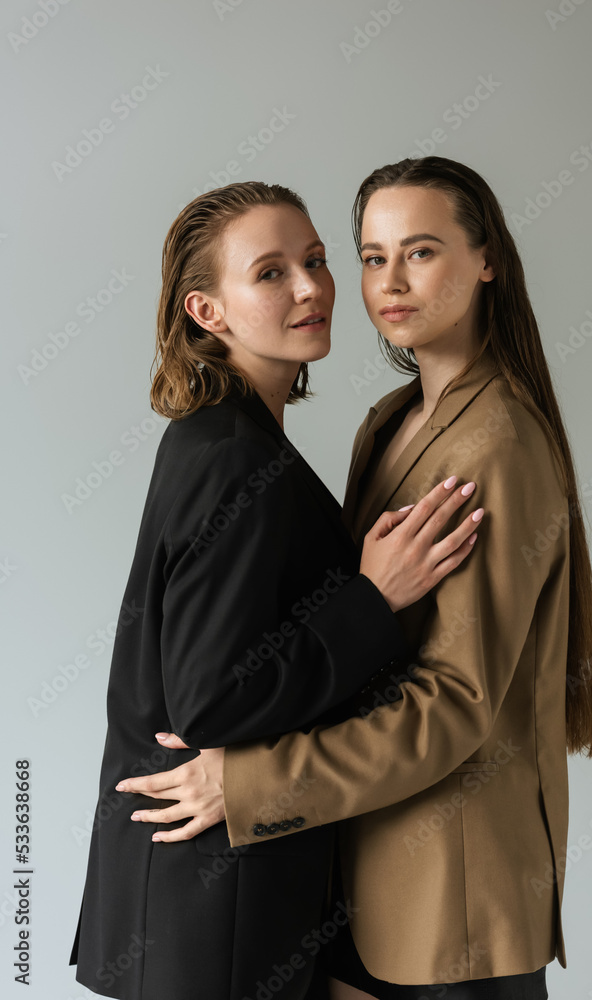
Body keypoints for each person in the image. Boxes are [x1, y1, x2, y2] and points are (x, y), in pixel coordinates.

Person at [121, 157, 592, 999]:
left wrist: (245, 784)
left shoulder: (495, 443)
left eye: (420, 252)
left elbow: (452, 704)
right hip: (358, 873)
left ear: (486, 258)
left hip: (447, 904)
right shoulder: (387, 423)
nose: (387, 282)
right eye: (370, 255)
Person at [69, 179, 483, 1000]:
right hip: (216, 918)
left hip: (212, 906)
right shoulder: (232, 458)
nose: (311, 288)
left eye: (317, 261)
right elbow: (209, 701)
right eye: (270, 273)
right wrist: (372, 598)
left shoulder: (226, 439)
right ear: (206, 312)